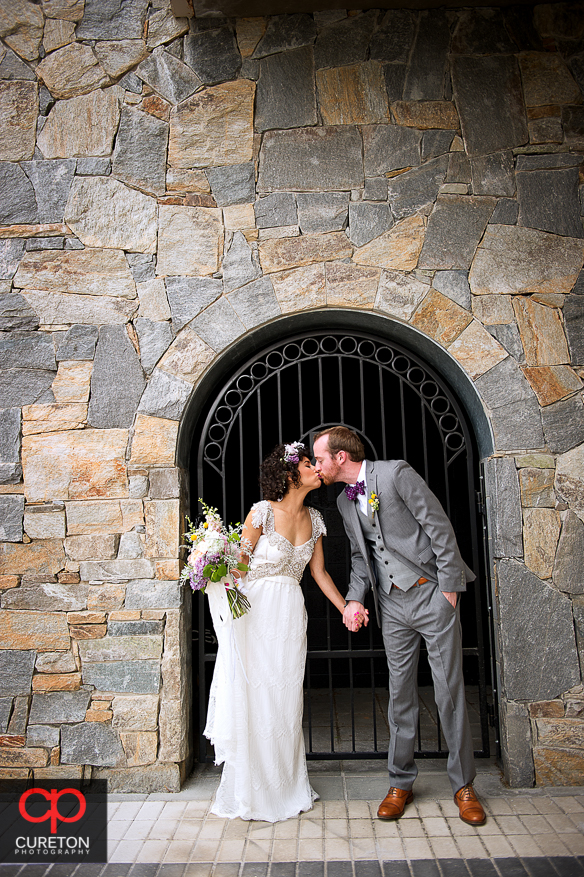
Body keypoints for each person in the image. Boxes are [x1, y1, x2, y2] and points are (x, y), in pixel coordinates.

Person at [312, 426, 486, 826]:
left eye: (319, 458)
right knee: (399, 694)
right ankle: (401, 782)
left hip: (431, 595)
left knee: (449, 692)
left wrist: (450, 589)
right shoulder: (342, 501)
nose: (316, 466)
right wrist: (355, 598)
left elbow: (439, 527)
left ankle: (463, 786)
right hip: (391, 605)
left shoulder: (394, 474)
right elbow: (361, 556)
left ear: (340, 457)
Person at [204, 441, 361, 822]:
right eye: (310, 464)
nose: (316, 469)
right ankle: (251, 790)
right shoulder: (260, 513)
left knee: (285, 697)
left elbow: (319, 573)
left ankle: (285, 785)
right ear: (292, 474)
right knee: (255, 696)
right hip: (254, 613)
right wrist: (208, 565)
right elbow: (238, 567)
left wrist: (347, 609)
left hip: (290, 614)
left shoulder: (317, 519)